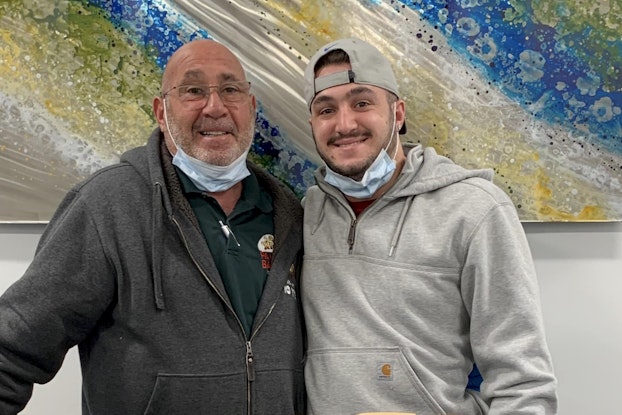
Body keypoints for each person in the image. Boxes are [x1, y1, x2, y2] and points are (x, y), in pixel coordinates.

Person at [0, 39, 305, 414]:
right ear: (161, 112)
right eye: (193, 90)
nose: (215, 106)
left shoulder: (289, 214)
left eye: (230, 90)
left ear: (251, 107)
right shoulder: (109, 204)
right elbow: (11, 347)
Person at [300, 37, 557, 415]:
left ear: (398, 113)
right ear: (313, 123)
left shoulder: (475, 210)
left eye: (362, 103)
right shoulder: (305, 214)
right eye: (326, 109)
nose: (344, 123)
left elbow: (524, 385)